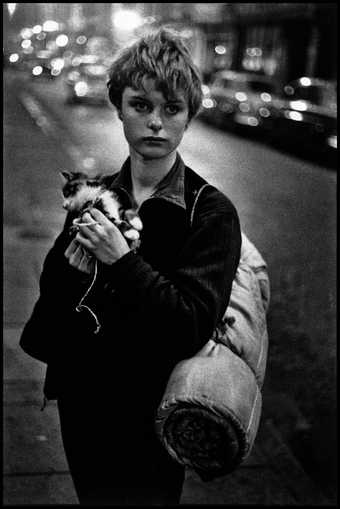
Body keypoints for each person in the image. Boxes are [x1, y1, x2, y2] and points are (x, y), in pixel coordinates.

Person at [20, 27, 241, 505]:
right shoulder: (94, 195)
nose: (156, 123)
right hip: (83, 403)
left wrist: (122, 262)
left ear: (189, 116)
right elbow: (55, 296)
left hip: (153, 414)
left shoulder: (210, 212)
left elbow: (191, 325)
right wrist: (70, 270)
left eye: (172, 109)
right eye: (141, 106)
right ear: (118, 107)